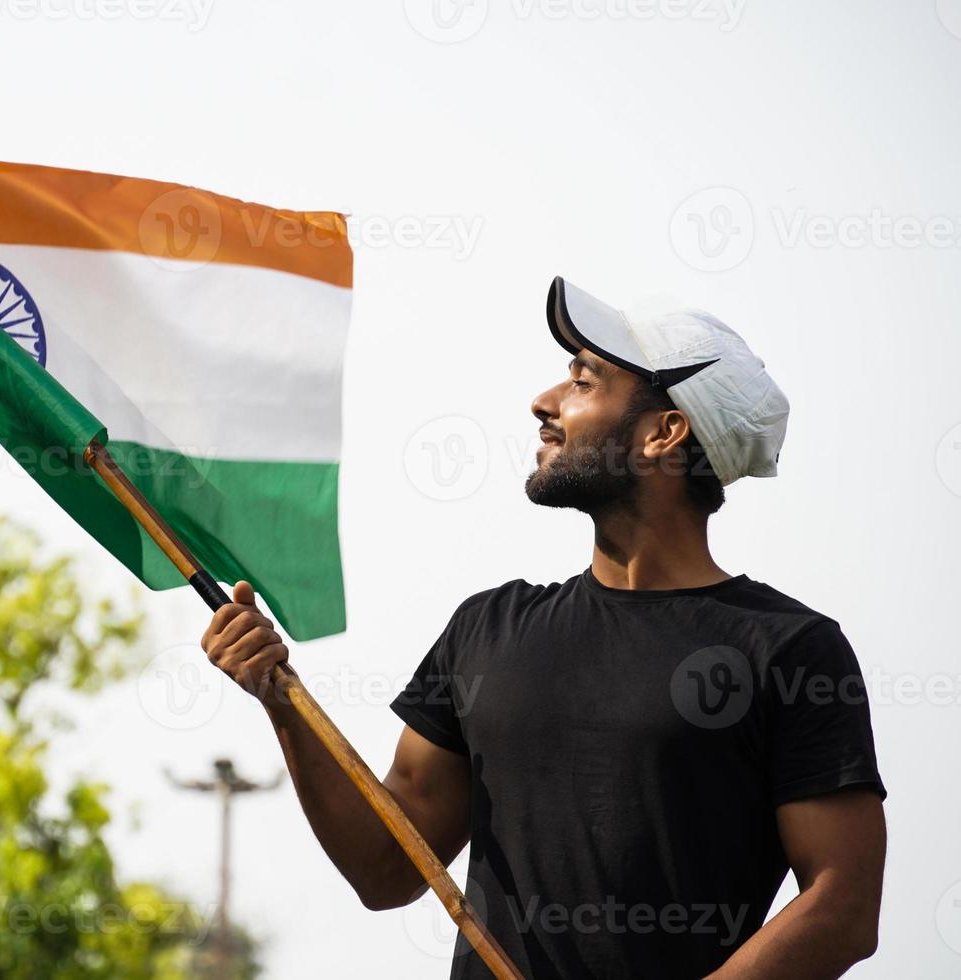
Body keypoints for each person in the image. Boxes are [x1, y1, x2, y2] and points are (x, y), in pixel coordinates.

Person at [200, 277, 887, 979]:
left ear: (663, 432)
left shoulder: (790, 650)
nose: (544, 402)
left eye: (584, 382)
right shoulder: (486, 627)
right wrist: (279, 698)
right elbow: (385, 870)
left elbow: (842, 907)